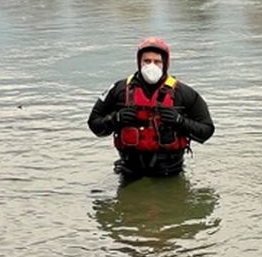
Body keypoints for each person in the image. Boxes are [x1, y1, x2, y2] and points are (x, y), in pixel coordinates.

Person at [88, 37, 214, 179]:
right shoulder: (118, 90)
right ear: (139, 63)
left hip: (170, 172)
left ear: (165, 64)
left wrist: (180, 121)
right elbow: (94, 123)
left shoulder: (184, 93)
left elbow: (207, 130)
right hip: (130, 170)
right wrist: (115, 119)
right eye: (147, 61)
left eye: (157, 62)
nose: (151, 66)